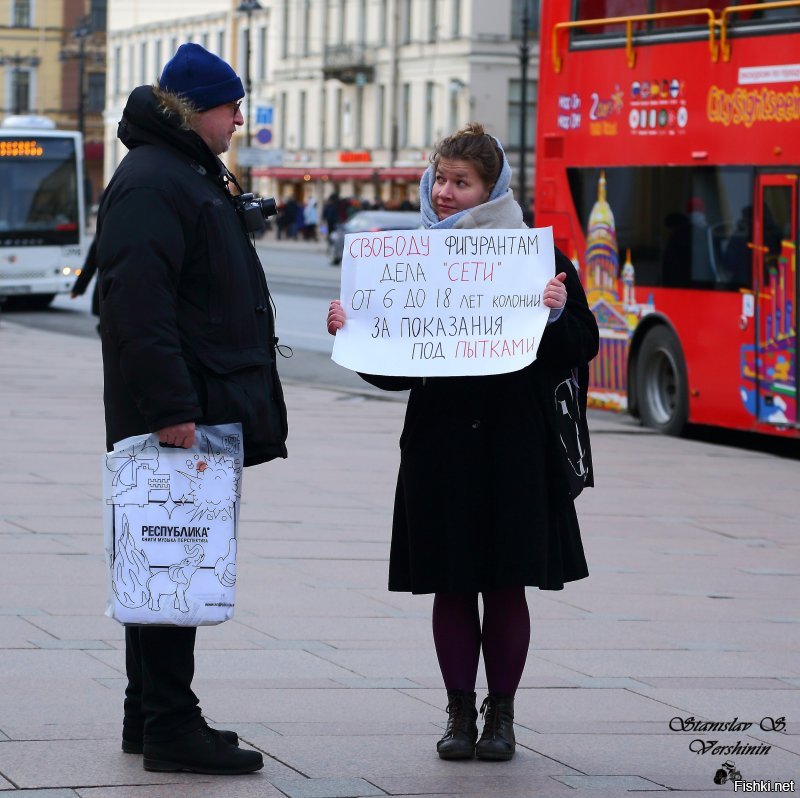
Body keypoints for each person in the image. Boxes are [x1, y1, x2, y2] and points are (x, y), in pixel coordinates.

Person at [327, 123, 599, 762]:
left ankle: (500, 717)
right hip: (440, 447)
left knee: (507, 585)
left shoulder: (540, 258)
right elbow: (395, 370)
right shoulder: (411, 256)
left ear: (491, 188)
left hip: (515, 448)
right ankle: (457, 715)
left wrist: (558, 312)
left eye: (460, 182)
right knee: (450, 584)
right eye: (440, 179)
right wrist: (354, 330)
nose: (444, 193)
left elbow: (578, 348)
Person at [95, 42, 288, 775]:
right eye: (232, 105)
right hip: (178, 414)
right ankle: (173, 725)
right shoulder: (157, 179)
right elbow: (136, 307)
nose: (241, 118)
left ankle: (147, 715)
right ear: (198, 108)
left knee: (161, 557)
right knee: (174, 562)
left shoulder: (179, 172)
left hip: (191, 403)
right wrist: (172, 408)